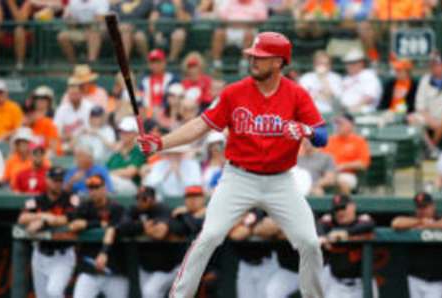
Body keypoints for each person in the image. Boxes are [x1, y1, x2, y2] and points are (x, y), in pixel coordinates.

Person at [137, 31, 327, 298]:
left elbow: (323, 136)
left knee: (309, 243)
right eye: (252, 56)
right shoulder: (234, 92)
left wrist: (306, 131)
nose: (253, 61)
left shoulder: (296, 95)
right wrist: (161, 143)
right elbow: (200, 125)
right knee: (209, 236)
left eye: (260, 57)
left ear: (278, 62)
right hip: (239, 177)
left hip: (280, 180)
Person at [17, 166, 77, 298]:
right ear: (47, 180)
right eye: (55, 180)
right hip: (40, 255)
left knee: (54, 292)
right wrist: (42, 216)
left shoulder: (70, 199)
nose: (58, 183)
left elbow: (68, 218)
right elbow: (22, 218)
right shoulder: (37, 200)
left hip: (63, 255)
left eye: (60, 180)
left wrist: (44, 222)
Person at [68, 175, 128, 298]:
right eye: (90, 188)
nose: (93, 191)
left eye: (96, 187)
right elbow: (73, 225)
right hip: (90, 270)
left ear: (104, 188)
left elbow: (113, 229)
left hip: (114, 270)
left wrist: (104, 252)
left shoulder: (116, 208)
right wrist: (97, 223)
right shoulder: (85, 207)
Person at [119, 186, 180, 298]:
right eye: (138, 198)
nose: (140, 201)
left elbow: (160, 233)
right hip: (146, 266)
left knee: (149, 293)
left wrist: (138, 229)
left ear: (153, 199)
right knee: (148, 294)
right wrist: (142, 226)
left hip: (168, 268)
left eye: (144, 198)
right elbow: (122, 227)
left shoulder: (162, 209)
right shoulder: (134, 209)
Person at [391, 192, 442, 298]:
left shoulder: (440, 217)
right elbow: (396, 223)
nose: (422, 211)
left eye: (425, 207)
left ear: (432, 206)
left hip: (437, 280)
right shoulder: (414, 220)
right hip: (415, 277)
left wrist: (431, 225)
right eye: (419, 207)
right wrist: (420, 222)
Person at [319, 194, 377, 298]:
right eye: (336, 209)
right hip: (338, 285)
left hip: (363, 285)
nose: (340, 212)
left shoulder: (362, 220)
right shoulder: (330, 222)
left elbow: (369, 224)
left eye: (343, 208)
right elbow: (319, 226)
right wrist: (324, 236)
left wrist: (344, 233)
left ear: (353, 206)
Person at [408, 53, 442, 156]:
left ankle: (432, 147)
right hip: (429, 116)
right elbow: (420, 107)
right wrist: (431, 120)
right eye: (433, 65)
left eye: (439, 64)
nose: (436, 67)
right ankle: (431, 148)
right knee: (412, 118)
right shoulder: (425, 80)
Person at [229, 209, 278, 298]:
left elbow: (272, 228)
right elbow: (235, 235)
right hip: (245, 265)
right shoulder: (239, 207)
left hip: (267, 264)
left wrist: (247, 228)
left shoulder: (267, 207)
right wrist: (256, 227)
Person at [211, 0, 268, 73]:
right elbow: (222, 16)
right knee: (218, 33)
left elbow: (263, 18)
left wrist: (246, 24)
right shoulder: (230, 2)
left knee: (249, 34)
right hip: (231, 29)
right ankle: (217, 64)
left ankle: (244, 64)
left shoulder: (257, 3)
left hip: (249, 29)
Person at [322, 114, 370, 194]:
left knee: (343, 181)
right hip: (327, 174)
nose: (338, 126)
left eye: (341, 123)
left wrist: (343, 166)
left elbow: (363, 164)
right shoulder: (329, 140)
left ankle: (345, 205)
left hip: (347, 173)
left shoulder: (359, 141)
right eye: (336, 123)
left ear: (351, 125)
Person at [0, 0, 32, 71]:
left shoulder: (26, 2)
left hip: (23, 31)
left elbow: (21, 20)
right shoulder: (1, 2)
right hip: (4, 30)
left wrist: (11, 3)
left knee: (19, 30)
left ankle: (20, 65)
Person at [107, 116, 147, 194]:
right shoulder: (116, 152)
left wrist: (111, 173)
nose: (123, 134)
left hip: (133, 187)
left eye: (127, 132)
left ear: (135, 133)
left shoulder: (138, 150)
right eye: (121, 131)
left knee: (110, 179)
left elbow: (129, 173)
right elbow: (106, 169)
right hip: (115, 186)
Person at [53, 83, 94, 153]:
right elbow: (55, 132)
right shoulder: (62, 109)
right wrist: (68, 137)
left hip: (86, 144)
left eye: (76, 94)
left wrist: (76, 137)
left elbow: (91, 130)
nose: (73, 96)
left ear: (82, 94)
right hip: (66, 144)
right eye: (71, 94)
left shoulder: (90, 108)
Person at [138, 49, 179, 118]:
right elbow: (139, 97)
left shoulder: (172, 79)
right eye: (153, 62)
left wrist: (162, 108)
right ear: (149, 64)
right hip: (147, 113)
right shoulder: (144, 80)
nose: (155, 65)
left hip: (166, 113)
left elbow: (174, 98)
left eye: (158, 62)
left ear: (164, 62)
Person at [340, 48, 382, 113]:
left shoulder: (368, 75)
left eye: (352, 63)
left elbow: (369, 98)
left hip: (363, 112)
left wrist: (354, 107)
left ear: (361, 63)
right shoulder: (346, 79)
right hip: (345, 112)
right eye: (347, 63)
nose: (349, 65)